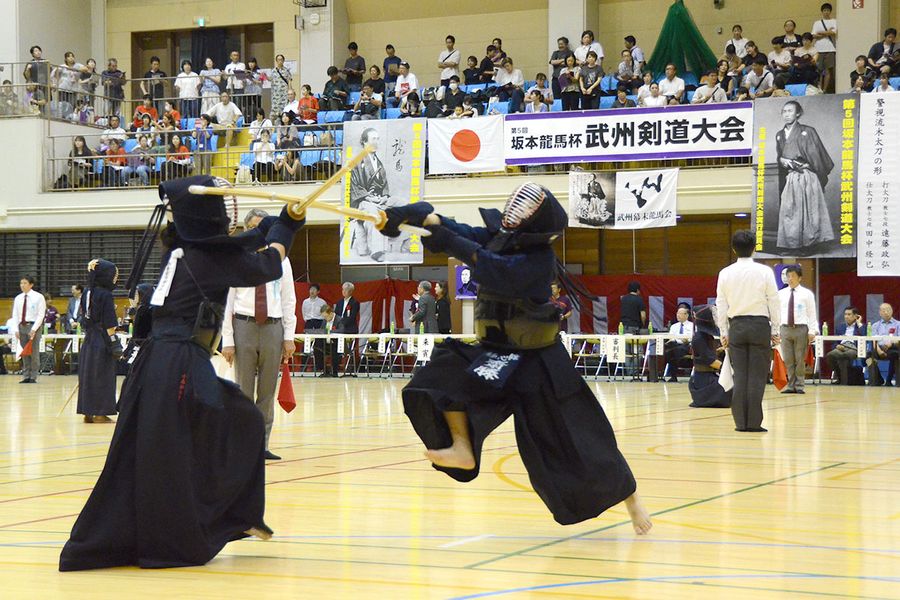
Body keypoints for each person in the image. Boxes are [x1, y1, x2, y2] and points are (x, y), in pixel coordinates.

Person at [59, 175, 306, 571]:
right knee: (238, 422)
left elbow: (236, 246)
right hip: (180, 362)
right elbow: (268, 264)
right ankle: (210, 526)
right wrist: (286, 228)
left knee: (162, 447)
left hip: (155, 362)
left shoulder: (181, 250)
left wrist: (272, 224)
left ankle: (179, 526)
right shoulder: (209, 256)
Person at [381, 183, 652, 534]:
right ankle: (463, 448)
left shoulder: (537, 262)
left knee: (581, 440)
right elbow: (461, 232)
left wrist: (438, 233)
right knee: (441, 378)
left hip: (539, 362)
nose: (514, 213)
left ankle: (631, 498)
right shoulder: (501, 238)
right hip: (497, 351)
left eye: (524, 210)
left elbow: (486, 262)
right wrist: (414, 215)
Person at [221, 209, 297, 461]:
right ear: (247, 230)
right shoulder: (237, 258)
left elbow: (289, 300)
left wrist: (289, 336)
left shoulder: (281, 260)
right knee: (243, 390)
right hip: (244, 325)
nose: (261, 234)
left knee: (267, 390)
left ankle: (261, 445)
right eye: (256, 228)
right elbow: (227, 303)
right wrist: (228, 340)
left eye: (265, 228)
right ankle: (241, 444)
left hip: (273, 327)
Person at [715, 230, 780, 433]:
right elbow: (774, 301)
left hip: (737, 326)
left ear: (734, 248)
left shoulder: (725, 273)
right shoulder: (765, 272)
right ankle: (753, 422)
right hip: (760, 325)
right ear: (754, 249)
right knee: (757, 376)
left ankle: (740, 422)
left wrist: (724, 332)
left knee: (740, 375)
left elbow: (721, 304)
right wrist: (776, 328)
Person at [775, 101, 835, 252]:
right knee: (790, 210)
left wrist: (808, 166)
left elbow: (818, 156)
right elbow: (779, 157)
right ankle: (793, 244)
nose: (787, 114)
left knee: (810, 210)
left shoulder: (808, 131)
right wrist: (782, 160)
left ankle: (810, 245)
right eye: (785, 111)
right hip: (791, 177)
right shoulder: (780, 135)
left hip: (808, 176)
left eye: (790, 111)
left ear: (798, 114)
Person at [77, 259, 120, 424]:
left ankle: (87, 412)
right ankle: (100, 413)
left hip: (89, 339)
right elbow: (110, 324)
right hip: (102, 340)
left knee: (88, 375)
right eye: (114, 275)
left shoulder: (87, 292)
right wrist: (115, 343)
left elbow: (84, 319)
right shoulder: (106, 294)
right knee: (103, 375)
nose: (115, 279)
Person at [777, 265, 818, 394]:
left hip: (801, 328)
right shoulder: (781, 294)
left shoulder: (807, 294)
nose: (790, 279)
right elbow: (777, 313)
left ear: (799, 278)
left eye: (793, 276)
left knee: (800, 358)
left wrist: (812, 331)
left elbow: (812, 313)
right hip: (785, 328)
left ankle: (800, 385)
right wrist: (776, 331)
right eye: (788, 276)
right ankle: (790, 384)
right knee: (788, 359)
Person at [688, 304, 732, 409]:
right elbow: (710, 361)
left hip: (710, 376)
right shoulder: (699, 338)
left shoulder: (706, 336)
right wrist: (728, 370)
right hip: (703, 381)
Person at [12, 275, 47, 383]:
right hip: (21, 326)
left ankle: (33, 376)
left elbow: (41, 315)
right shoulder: (18, 298)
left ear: (31, 285)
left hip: (33, 326)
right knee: (24, 352)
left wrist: (34, 329)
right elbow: (15, 315)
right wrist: (16, 329)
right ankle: (26, 375)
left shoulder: (38, 297)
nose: (22, 285)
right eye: (21, 283)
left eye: (25, 283)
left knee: (33, 352)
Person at [826, 306, 865, 385]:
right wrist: (836, 346)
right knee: (830, 355)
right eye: (845, 314)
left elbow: (865, 336)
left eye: (849, 314)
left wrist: (859, 323)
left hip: (853, 347)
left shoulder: (861, 326)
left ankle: (844, 381)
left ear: (855, 316)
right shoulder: (840, 327)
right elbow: (834, 342)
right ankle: (840, 377)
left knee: (845, 356)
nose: (846, 316)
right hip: (841, 346)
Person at [868, 303, 900, 386]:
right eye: (883, 310)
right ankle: (876, 380)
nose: (886, 312)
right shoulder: (875, 325)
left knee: (896, 354)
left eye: (888, 310)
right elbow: (873, 340)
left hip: (893, 347)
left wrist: (891, 344)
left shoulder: (898, 324)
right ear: (880, 312)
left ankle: (892, 381)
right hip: (878, 347)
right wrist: (878, 350)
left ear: (892, 311)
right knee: (868, 355)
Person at [664, 306, 694, 382]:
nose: (678, 315)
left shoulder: (692, 325)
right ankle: (672, 376)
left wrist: (686, 340)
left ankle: (674, 375)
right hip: (675, 345)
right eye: (677, 313)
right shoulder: (674, 326)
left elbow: (692, 338)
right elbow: (671, 337)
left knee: (674, 351)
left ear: (686, 315)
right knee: (668, 349)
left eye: (680, 313)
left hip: (687, 345)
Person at [812, 3, 837, 92]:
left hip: (830, 48)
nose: (826, 12)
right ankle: (819, 88)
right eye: (824, 10)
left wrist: (821, 33)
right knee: (819, 70)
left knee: (828, 70)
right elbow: (814, 35)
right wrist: (827, 32)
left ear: (830, 11)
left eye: (828, 10)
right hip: (818, 49)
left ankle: (825, 89)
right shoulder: (817, 23)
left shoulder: (834, 21)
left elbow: (833, 33)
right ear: (822, 12)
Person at [270, 54, 292, 118]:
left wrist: (290, 91)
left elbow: (289, 81)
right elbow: (270, 79)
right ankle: (274, 127)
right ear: (276, 61)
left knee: (284, 111)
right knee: (274, 112)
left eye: (281, 60)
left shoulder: (286, 70)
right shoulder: (273, 71)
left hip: (284, 94)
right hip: (275, 95)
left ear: (283, 61)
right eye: (278, 60)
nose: (280, 61)